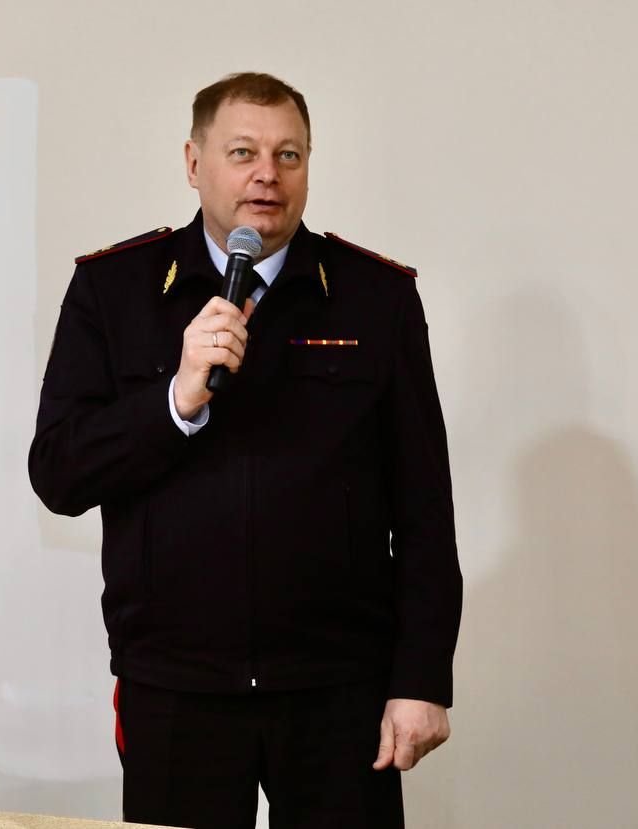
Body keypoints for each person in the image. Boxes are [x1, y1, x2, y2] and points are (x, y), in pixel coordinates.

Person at [28, 72, 461, 828]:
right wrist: (176, 400)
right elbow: (60, 473)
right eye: (243, 152)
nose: (268, 174)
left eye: (289, 155)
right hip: (176, 684)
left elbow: (424, 506)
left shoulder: (376, 296)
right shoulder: (115, 289)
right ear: (194, 163)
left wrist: (421, 677)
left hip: (338, 685)